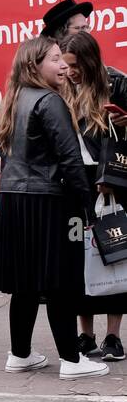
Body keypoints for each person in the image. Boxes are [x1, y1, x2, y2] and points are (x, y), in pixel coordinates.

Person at [0, 35, 106, 380]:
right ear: (33, 65)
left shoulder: (15, 99)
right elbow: (70, 159)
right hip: (50, 201)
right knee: (61, 281)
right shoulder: (50, 101)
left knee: (25, 282)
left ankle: (20, 354)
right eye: (55, 59)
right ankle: (72, 359)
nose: (63, 66)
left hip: (13, 202)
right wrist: (88, 206)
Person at [60, 30, 127, 361]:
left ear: (89, 59)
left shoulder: (115, 83)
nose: (70, 71)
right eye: (66, 65)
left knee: (114, 252)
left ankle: (113, 337)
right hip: (76, 181)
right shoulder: (63, 89)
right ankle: (85, 334)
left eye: (75, 65)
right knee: (79, 257)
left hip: (111, 179)